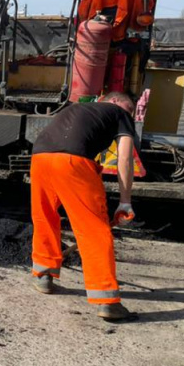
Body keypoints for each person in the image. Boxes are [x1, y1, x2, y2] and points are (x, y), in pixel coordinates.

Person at [29, 91, 137, 322]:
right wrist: (125, 201)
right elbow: (126, 158)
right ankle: (107, 301)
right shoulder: (120, 112)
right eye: (130, 110)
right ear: (116, 102)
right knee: (93, 229)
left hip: (40, 157)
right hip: (73, 161)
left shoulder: (76, 109)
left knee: (44, 217)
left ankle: (44, 275)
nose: (130, 115)